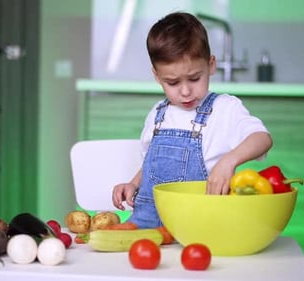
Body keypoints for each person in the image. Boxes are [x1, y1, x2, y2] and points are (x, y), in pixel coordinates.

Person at [112, 12, 273, 229]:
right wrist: (133, 184)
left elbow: (262, 139)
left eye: (195, 78)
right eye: (172, 82)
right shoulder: (157, 114)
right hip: (147, 230)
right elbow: (150, 166)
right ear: (157, 76)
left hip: (204, 227)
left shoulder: (225, 109)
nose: (186, 91)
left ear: (211, 65)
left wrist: (229, 161)